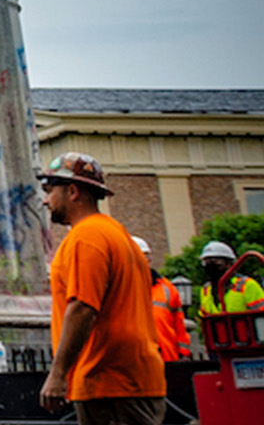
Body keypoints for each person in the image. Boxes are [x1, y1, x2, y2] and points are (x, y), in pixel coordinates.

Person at [35, 153, 166, 423]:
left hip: (108, 381)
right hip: (130, 379)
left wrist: (58, 373)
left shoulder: (86, 237)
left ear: (73, 191)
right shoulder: (119, 235)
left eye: (50, 191)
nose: (45, 200)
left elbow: (83, 308)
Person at [134, 237, 192, 362]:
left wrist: (184, 353)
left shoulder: (167, 288)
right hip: (136, 362)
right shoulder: (120, 287)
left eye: (145, 256)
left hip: (167, 357)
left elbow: (179, 323)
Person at [196, 240, 264, 315]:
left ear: (229, 264)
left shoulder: (246, 285)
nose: (211, 266)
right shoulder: (205, 290)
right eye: (206, 262)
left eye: (215, 261)